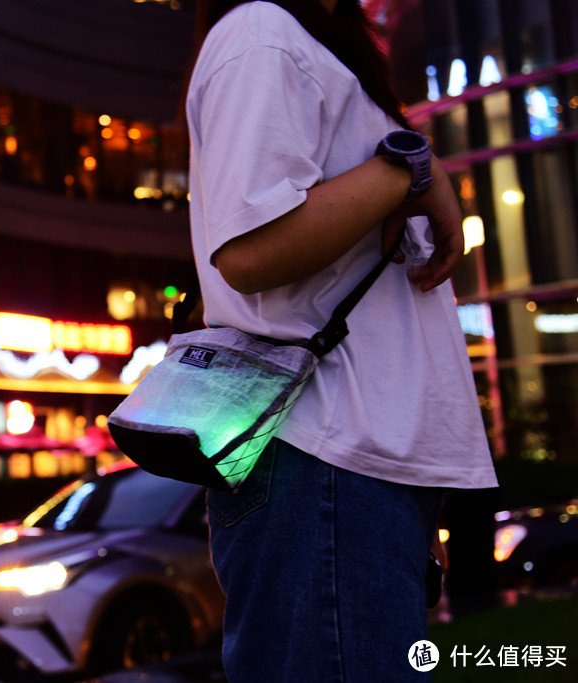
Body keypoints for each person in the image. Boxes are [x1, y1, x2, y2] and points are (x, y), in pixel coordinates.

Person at [185, 1, 498, 680]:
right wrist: (411, 170)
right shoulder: (263, 31)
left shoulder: (308, 44)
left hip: (349, 469)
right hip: (324, 460)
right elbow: (250, 246)